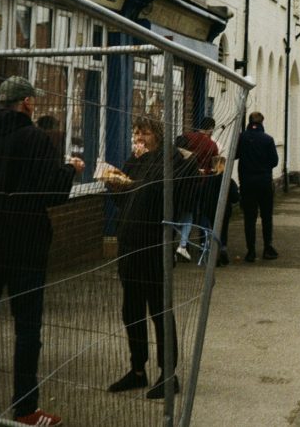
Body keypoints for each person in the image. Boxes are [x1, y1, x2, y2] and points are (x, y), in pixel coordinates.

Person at [0, 76, 83, 426]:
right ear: (26, 103)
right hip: (24, 245)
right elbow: (52, 193)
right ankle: (26, 409)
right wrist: (70, 170)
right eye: (33, 100)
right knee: (27, 329)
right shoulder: (34, 139)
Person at [105, 115, 196, 399]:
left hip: (155, 246)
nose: (138, 137)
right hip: (130, 245)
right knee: (131, 310)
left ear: (157, 132)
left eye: (143, 132)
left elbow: (176, 197)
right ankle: (137, 370)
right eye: (135, 132)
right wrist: (115, 184)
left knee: (159, 310)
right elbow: (124, 199)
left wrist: (135, 184)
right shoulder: (135, 159)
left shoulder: (173, 159)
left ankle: (168, 374)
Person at [176, 117, 230, 265]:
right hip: (202, 183)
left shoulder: (186, 137)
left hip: (181, 182)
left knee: (179, 213)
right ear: (211, 129)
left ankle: (178, 244)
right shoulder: (212, 145)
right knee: (200, 215)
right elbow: (215, 166)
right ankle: (201, 245)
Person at [237, 111, 279, 262]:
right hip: (264, 182)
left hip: (247, 183)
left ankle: (251, 251)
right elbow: (274, 161)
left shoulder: (241, 138)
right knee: (266, 216)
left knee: (249, 218)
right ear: (262, 122)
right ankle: (268, 247)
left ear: (249, 121)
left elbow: (234, 155)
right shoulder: (268, 139)